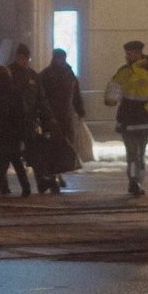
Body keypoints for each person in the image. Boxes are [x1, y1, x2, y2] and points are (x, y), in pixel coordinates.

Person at [106, 41, 148, 197]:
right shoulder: (123, 72)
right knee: (132, 153)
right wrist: (110, 99)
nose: (129, 56)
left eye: (132, 53)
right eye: (128, 54)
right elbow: (113, 87)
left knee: (139, 153)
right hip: (127, 118)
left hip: (143, 120)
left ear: (140, 53)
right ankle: (133, 181)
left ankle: (137, 180)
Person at [0, 46, 43, 199]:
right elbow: (20, 112)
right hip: (12, 133)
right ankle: (26, 187)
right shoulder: (14, 90)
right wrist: (20, 129)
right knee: (16, 160)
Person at [37, 46, 86, 193]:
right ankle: (54, 177)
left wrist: (80, 111)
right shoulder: (49, 75)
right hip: (53, 119)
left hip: (63, 118)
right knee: (53, 149)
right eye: (58, 58)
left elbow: (75, 95)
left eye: (62, 58)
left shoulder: (66, 74)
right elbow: (40, 97)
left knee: (62, 148)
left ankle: (57, 175)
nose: (60, 61)